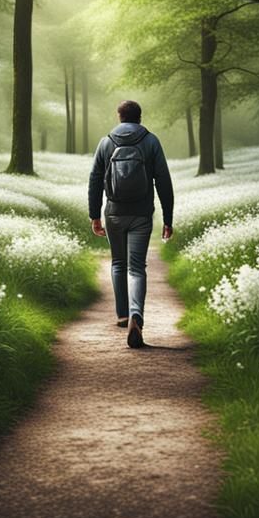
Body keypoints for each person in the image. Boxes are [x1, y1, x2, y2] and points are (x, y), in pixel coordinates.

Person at [88, 99, 174, 349]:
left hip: (113, 213)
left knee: (118, 263)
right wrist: (168, 219)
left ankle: (123, 314)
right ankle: (137, 315)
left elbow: (94, 180)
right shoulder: (151, 141)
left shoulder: (106, 142)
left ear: (119, 117)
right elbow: (164, 182)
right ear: (139, 117)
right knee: (136, 267)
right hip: (141, 214)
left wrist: (95, 215)